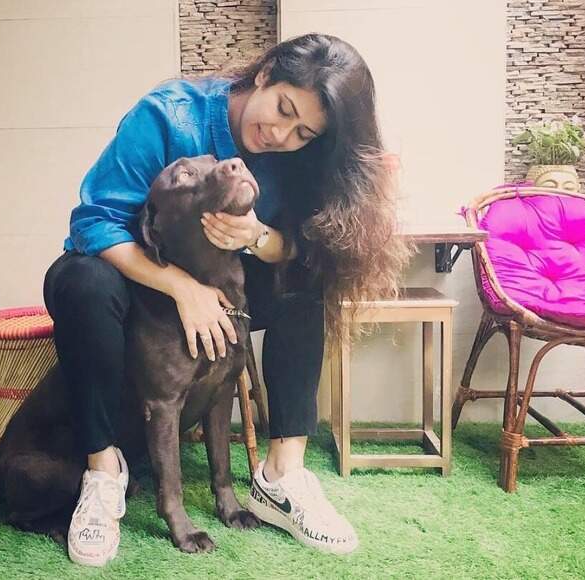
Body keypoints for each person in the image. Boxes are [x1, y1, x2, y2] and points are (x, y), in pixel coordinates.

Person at [43, 33, 410, 566]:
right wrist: (183, 288)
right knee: (82, 281)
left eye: (303, 132)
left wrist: (257, 236)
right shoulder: (169, 116)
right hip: (134, 283)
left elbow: (308, 245)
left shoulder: (303, 157)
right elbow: (94, 221)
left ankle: (282, 475)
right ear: (265, 74)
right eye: (283, 109)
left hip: (233, 278)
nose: (280, 134)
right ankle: (102, 474)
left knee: (305, 280)